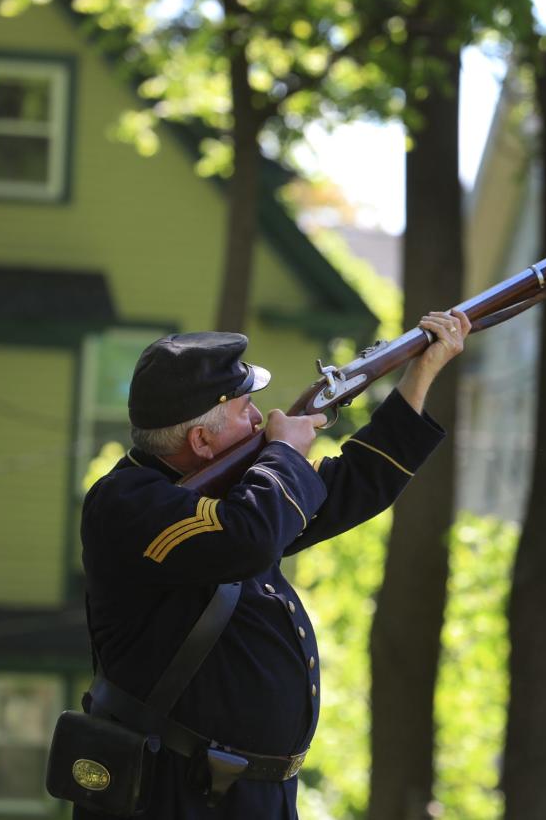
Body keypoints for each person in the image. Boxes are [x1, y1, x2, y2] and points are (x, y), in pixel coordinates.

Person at [75, 310, 470, 819]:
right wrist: (282, 452)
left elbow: (348, 489)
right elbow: (251, 537)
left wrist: (421, 373)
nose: (261, 419)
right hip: (173, 796)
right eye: (246, 409)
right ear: (201, 441)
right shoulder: (126, 503)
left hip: (248, 797)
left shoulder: (234, 496)